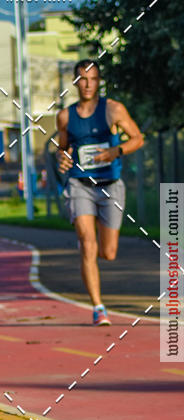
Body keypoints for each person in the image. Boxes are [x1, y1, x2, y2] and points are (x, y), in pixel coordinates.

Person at [56, 60, 143, 325]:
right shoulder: (65, 116)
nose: (87, 84)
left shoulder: (114, 109)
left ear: (99, 81)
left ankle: (89, 247)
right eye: (82, 79)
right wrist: (62, 159)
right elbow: (62, 149)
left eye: (92, 79)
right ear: (75, 82)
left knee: (109, 251)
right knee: (88, 245)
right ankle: (98, 307)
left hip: (110, 186)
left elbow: (138, 138)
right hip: (80, 185)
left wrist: (116, 151)